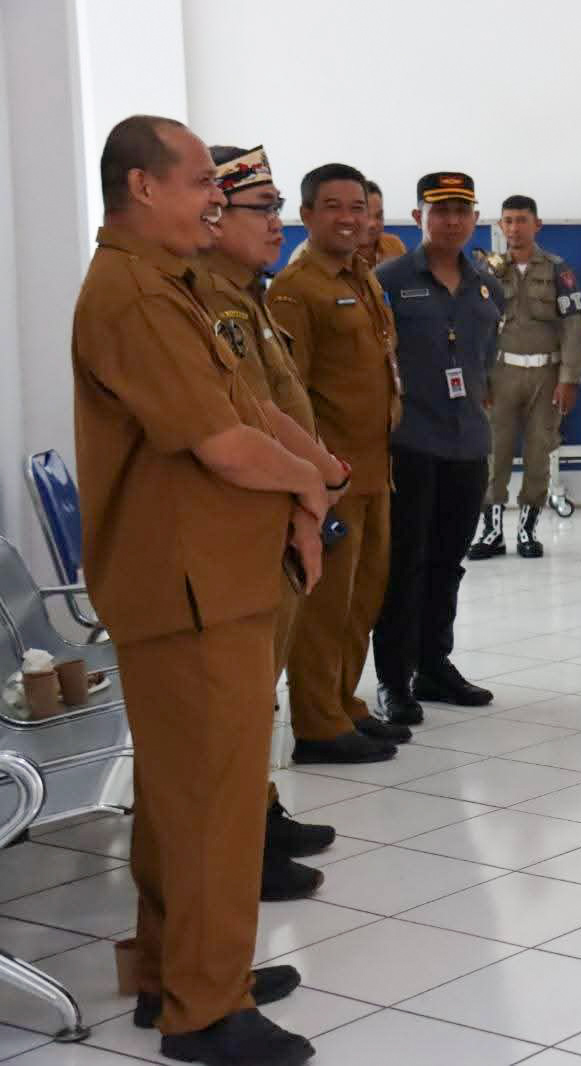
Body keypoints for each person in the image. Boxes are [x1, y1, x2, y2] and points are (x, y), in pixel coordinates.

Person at [74, 114, 316, 1064]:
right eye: (198, 187)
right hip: (186, 585)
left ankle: (171, 971)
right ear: (142, 187)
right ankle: (205, 1011)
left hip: (207, 576)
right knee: (213, 804)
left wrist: (312, 472)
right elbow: (220, 444)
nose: (213, 201)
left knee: (186, 797)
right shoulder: (134, 296)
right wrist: (306, 483)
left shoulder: (166, 287)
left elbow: (244, 407)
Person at [192, 144, 343, 904]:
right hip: (256, 522)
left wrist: (322, 472)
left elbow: (278, 406)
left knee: (264, 687)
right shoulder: (205, 304)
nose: (277, 223)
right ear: (213, 215)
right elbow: (244, 424)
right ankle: (242, 844)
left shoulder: (245, 294)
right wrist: (312, 479)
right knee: (246, 696)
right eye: (263, 209)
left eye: (279, 207)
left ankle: (262, 812)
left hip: (283, 516)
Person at [269, 164, 410, 756]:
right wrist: (316, 477)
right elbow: (289, 393)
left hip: (375, 468)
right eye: (333, 206)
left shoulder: (364, 275)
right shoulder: (295, 288)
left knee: (363, 600)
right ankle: (317, 723)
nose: (350, 218)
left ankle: (344, 703)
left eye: (360, 207)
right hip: (333, 477)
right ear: (305, 215)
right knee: (326, 606)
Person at [372, 172, 502, 721]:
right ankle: (393, 679)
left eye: (462, 210)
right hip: (411, 441)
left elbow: (485, 356)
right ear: (417, 216)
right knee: (405, 564)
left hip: (467, 442)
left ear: (475, 217)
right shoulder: (390, 280)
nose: (452, 220)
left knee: (448, 562)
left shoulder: (484, 282)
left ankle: (434, 666)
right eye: (440, 209)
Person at [468, 195, 581, 560]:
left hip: (547, 375)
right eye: (508, 220)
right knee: (493, 455)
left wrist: (570, 379)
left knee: (539, 453)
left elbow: (573, 326)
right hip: (501, 374)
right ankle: (491, 532)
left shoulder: (557, 270)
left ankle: (528, 530)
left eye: (522, 220)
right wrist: (480, 378)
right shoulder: (485, 272)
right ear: (501, 226)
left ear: (537, 225)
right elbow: (476, 328)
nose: (514, 228)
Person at [360, 179, 408, 267]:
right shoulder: (335, 256)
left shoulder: (394, 246)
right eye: (365, 216)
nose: (372, 224)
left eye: (378, 216)